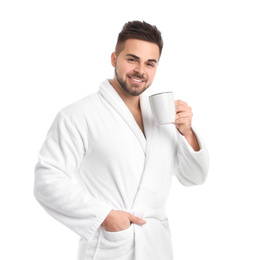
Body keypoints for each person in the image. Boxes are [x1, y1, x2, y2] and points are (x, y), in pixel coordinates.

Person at [34, 20, 209, 260]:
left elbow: (195, 177)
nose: (140, 70)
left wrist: (187, 132)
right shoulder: (78, 115)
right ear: (114, 58)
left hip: (157, 248)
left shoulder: (162, 116)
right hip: (111, 247)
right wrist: (105, 216)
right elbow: (47, 179)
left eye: (150, 63)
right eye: (132, 59)